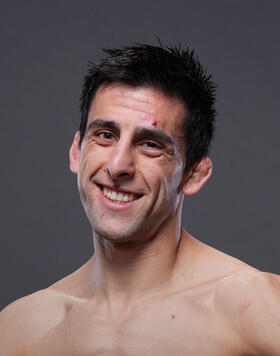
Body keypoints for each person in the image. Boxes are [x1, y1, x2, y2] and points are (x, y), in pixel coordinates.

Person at [1, 43, 280, 355]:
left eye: (150, 144)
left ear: (194, 174)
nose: (118, 165)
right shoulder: (22, 328)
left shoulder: (257, 307)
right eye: (105, 135)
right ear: (76, 152)